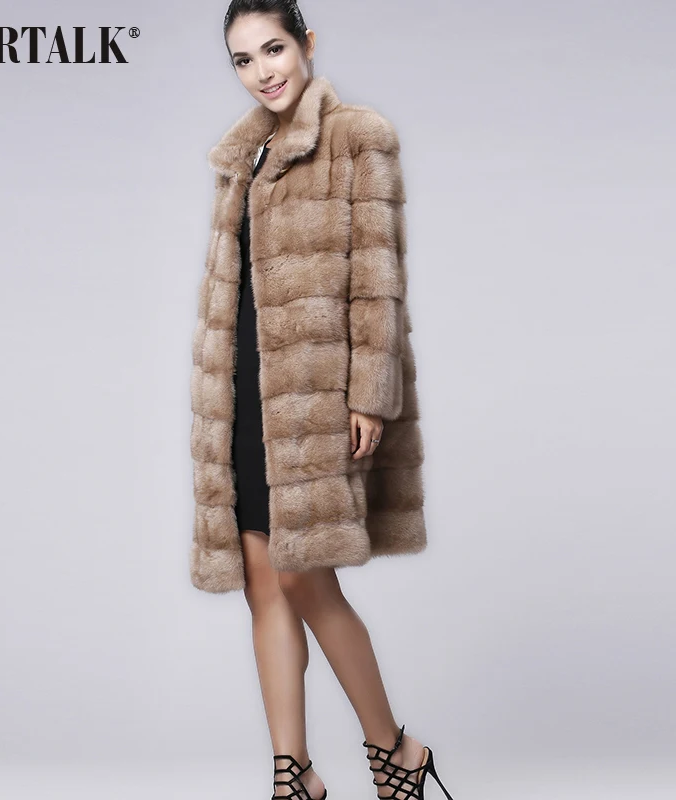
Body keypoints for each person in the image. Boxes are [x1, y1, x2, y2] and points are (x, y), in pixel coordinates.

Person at [189, 2, 453, 799]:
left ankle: (394, 749)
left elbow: (378, 278)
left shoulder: (357, 136)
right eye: (243, 59)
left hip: (312, 398)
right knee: (263, 581)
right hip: (244, 395)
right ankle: (292, 775)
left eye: (273, 49)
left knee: (307, 577)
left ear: (306, 43)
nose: (262, 71)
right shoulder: (242, 156)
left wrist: (368, 394)